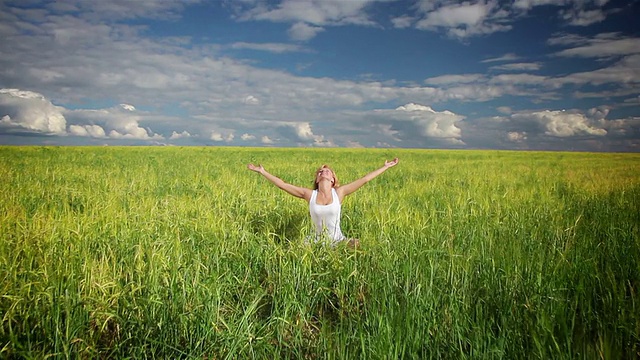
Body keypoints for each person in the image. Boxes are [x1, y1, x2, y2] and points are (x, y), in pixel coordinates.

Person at [247, 158, 399, 247]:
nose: (323, 172)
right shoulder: (309, 195)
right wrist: (262, 171)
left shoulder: (339, 193)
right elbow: (283, 185)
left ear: (333, 179)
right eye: (320, 172)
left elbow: (365, 179)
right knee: (292, 254)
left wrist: (385, 167)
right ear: (317, 179)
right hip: (314, 241)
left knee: (362, 245)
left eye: (327, 171)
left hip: (338, 240)